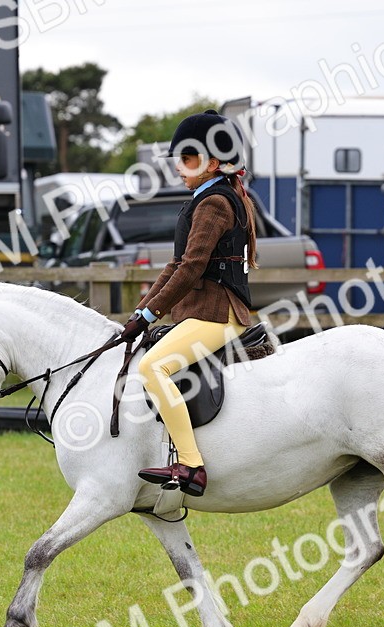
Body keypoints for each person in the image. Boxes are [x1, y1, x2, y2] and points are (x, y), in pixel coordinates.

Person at [118, 110, 257, 497]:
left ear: (213, 163)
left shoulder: (214, 203)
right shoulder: (204, 198)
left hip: (218, 313)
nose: (180, 167)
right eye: (179, 159)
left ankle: (192, 465)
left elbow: (192, 269)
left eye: (189, 159)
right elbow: (176, 265)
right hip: (204, 310)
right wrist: (140, 313)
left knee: (153, 367)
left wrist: (149, 314)